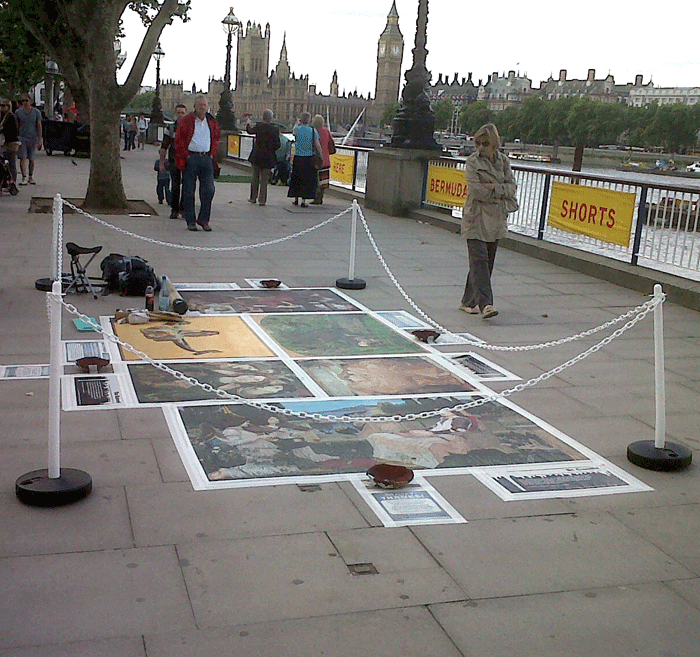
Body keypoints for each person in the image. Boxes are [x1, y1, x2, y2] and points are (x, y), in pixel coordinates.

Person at [459, 123, 517, 320]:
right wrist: (498, 190)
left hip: (496, 218)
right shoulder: (472, 162)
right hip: (476, 216)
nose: (480, 148)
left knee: (485, 262)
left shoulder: (504, 162)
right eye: (477, 143)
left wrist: (494, 188)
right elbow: (476, 190)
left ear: (494, 144)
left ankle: (468, 301)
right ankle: (486, 304)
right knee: (480, 259)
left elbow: (512, 187)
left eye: (485, 143)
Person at [175, 95, 221, 232]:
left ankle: (203, 219)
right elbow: (179, 139)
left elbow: (216, 137)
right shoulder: (187, 120)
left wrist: (212, 153)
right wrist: (186, 156)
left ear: (208, 106)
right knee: (189, 191)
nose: (202, 107)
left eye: (204, 104)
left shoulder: (212, 121)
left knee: (209, 189)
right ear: (194, 106)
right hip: (191, 158)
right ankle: (191, 221)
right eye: (200, 104)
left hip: (206, 158)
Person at [246, 109, 280, 206]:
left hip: (257, 156)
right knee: (264, 180)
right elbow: (278, 144)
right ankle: (262, 200)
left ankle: (253, 198)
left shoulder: (259, 126)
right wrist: (271, 149)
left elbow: (249, 131)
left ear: (263, 117)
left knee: (255, 177)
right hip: (268, 157)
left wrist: (248, 123)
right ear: (271, 118)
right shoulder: (275, 129)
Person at [287, 111, 322, 208]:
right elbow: (317, 145)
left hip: (298, 157)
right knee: (306, 179)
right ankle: (303, 200)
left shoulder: (297, 129)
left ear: (301, 120)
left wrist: (296, 123)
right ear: (309, 120)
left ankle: (296, 199)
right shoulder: (313, 130)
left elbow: (294, 132)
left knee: (297, 177)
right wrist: (321, 155)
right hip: (308, 158)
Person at [159, 103, 187, 219]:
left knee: (187, 185)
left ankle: (184, 208)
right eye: (178, 112)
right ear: (175, 114)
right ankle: (174, 209)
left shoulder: (190, 128)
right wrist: (161, 163)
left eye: (182, 113)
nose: (180, 115)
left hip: (187, 160)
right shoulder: (170, 128)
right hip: (174, 159)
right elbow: (164, 146)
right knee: (175, 185)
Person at [15, 94, 42, 186]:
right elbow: (16, 126)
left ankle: (30, 176)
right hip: (21, 137)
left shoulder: (36, 112)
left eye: (26, 100)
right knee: (22, 157)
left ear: (30, 101)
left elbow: (39, 125)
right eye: (22, 101)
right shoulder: (18, 112)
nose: (24, 103)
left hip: (33, 138)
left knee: (32, 158)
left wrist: (40, 139)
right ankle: (24, 177)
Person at [311, 115, 335, 205]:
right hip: (326, 158)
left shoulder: (313, 131)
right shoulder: (326, 131)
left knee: (316, 179)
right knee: (323, 179)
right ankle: (320, 197)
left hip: (316, 158)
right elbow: (331, 143)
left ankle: (316, 197)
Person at [0, 99, 20, 185]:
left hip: (11, 142)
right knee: (6, 162)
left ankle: (13, 181)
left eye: (3, 106)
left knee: (11, 163)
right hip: (7, 141)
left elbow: (12, 130)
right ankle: (7, 181)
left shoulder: (11, 116)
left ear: (8, 107)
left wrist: (2, 130)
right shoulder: (4, 116)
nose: (1, 108)